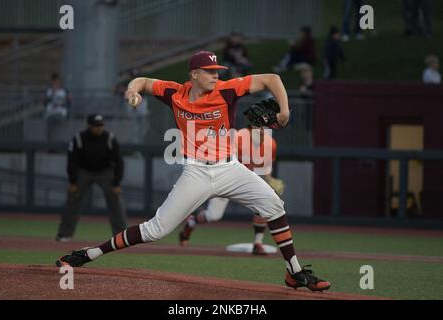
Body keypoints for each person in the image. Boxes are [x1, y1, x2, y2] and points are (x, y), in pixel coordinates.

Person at [56, 51, 330, 292]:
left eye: (216, 71)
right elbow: (142, 82)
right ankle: (91, 252)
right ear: (194, 74)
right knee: (155, 230)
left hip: (229, 168)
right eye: (209, 71)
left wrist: (284, 113)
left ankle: (294, 271)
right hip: (196, 172)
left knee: (274, 205)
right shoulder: (175, 92)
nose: (215, 75)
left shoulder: (226, 90)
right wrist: (132, 90)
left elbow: (272, 78)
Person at [179, 126, 285, 256]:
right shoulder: (239, 137)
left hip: (245, 182)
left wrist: (272, 181)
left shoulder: (271, 144)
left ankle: (257, 243)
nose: (262, 129)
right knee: (213, 216)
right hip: (225, 178)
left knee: (263, 203)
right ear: (251, 127)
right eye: (259, 125)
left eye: (265, 126)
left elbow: (265, 171)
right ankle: (193, 221)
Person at [56, 114, 127, 242]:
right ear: (89, 125)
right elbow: (72, 161)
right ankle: (64, 234)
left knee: (115, 199)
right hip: (84, 171)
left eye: (100, 125)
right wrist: (73, 181)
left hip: (105, 171)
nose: (98, 128)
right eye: (95, 126)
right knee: (73, 199)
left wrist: (116, 183)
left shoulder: (109, 138)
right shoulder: (79, 138)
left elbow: (119, 161)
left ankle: (121, 236)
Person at [44, 73, 71, 143]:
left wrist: (64, 101)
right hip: (51, 113)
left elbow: (68, 102)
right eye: (55, 82)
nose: (56, 83)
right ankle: (50, 143)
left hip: (60, 113)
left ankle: (53, 143)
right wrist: (53, 92)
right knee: (50, 121)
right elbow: (46, 102)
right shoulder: (49, 91)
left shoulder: (64, 91)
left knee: (54, 120)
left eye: (58, 81)